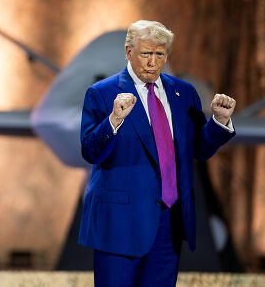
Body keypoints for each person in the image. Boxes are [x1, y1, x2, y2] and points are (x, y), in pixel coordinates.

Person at [78, 20, 236, 286]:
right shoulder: (102, 93)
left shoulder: (183, 93)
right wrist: (114, 120)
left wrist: (219, 122)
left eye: (159, 54)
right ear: (128, 52)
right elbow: (90, 151)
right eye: (145, 54)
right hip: (120, 224)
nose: (152, 62)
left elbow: (198, 148)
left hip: (169, 223)